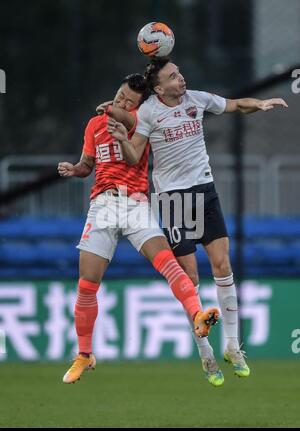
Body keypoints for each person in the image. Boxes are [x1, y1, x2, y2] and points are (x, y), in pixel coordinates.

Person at [107, 58, 288, 385]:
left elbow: (234, 104)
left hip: (205, 189)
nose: (181, 78)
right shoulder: (148, 112)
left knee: (223, 266)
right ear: (160, 88)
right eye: (173, 76)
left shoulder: (196, 99)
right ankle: (205, 352)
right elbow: (135, 155)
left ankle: (233, 346)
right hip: (174, 199)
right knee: (190, 277)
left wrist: (259, 103)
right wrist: (121, 135)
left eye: (179, 73)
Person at [57, 73, 219, 384]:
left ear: (140, 106)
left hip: (135, 204)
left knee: (169, 265)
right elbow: (88, 165)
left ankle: (198, 315)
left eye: (129, 102)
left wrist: (118, 112)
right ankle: (84, 354)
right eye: (119, 97)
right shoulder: (94, 125)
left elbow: (129, 121)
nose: (122, 103)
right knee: (87, 283)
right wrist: (75, 169)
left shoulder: (139, 121)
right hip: (103, 205)